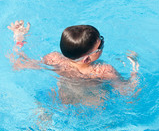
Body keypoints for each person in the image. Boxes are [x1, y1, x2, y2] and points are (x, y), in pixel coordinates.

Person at [7, 20, 139, 84]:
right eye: (101, 45)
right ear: (86, 59)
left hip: (61, 102)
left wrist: (19, 38)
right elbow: (127, 93)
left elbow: (18, 64)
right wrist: (134, 68)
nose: (103, 44)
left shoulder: (54, 59)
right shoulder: (103, 71)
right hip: (92, 108)